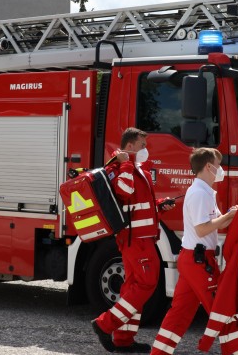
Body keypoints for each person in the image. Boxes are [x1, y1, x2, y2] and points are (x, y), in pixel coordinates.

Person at [150, 147, 238, 355]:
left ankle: (159, 353)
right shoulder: (200, 194)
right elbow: (203, 229)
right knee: (221, 307)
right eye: (218, 165)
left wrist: (231, 215)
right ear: (209, 167)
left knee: (180, 313)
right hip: (199, 261)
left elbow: (213, 222)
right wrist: (228, 217)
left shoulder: (205, 192)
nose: (221, 169)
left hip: (194, 258)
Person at [91, 127, 175, 353]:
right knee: (146, 284)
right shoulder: (123, 169)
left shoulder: (138, 170)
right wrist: (125, 163)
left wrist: (160, 206)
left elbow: (137, 207)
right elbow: (124, 192)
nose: (146, 150)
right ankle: (104, 324)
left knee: (132, 288)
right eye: (142, 146)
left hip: (142, 238)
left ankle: (123, 340)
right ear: (129, 147)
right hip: (136, 240)